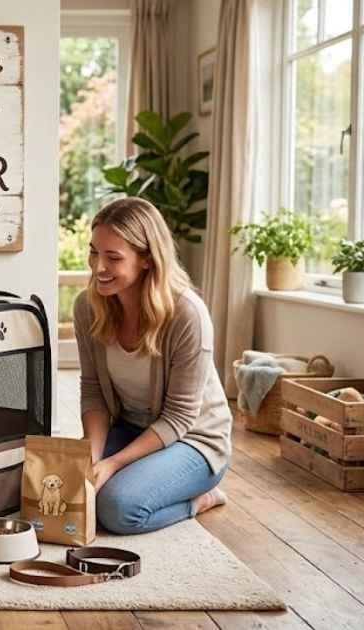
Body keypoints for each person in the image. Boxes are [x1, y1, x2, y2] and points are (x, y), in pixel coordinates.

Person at [73, 197, 231, 535]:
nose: (98, 267)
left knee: (117, 509)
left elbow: (179, 417)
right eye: (94, 252)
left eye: (113, 257)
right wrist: (90, 456)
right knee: (65, 487)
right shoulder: (88, 307)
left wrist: (112, 464)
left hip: (194, 440)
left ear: (146, 259)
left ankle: (201, 499)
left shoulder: (187, 315)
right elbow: (94, 392)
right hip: (130, 428)